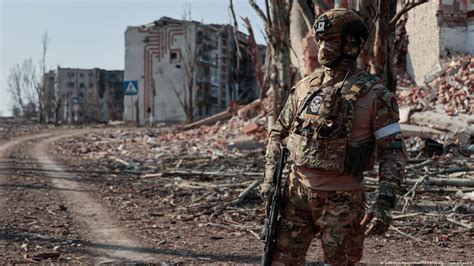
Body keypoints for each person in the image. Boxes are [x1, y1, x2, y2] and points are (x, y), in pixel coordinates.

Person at [262, 8, 407, 265]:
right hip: (296, 195)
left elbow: (392, 151)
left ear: (351, 43)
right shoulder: (305, 87)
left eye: (331, 40)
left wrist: (384, 202)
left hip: (343, 202)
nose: (322, 48)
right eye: (321, 40)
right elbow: (277, 134)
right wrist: (270, 182)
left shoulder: (376, 95)